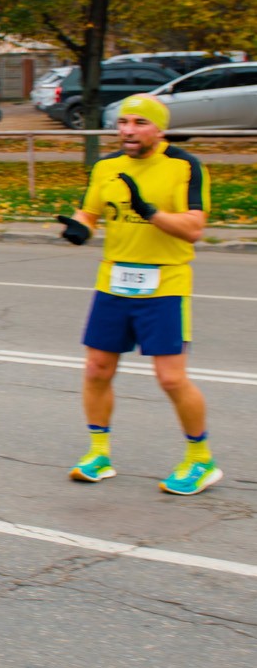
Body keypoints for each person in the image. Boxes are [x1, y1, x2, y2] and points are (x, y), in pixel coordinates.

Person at [58, 93, 219, 495]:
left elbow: (194, 228)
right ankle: (99, 453)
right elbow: (90, 212)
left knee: (170, 378)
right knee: (97, 369)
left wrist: (149, 212)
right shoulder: (107, 166)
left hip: (165, 283)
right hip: (113, 280)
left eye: (139, 123)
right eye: (123, 122)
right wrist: (80, 228)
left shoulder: (184, 166)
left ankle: (201, 460)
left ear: (159, 128)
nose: (128, 130)